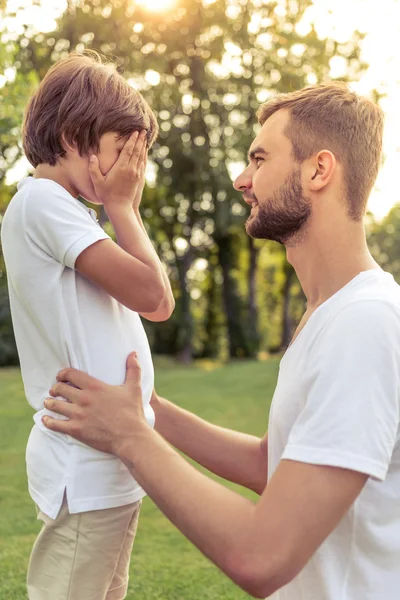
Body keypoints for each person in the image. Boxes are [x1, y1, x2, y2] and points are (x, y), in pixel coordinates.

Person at [43, 82, 400, 600]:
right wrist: (149, 409)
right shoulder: (330, 315)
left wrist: (129, 435)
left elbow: (262, 556)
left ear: (318, 170)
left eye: (259, 159)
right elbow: (269, 465)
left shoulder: (365, 324)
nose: (242, 179)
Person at [1, 51, 174, 600]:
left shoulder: (72, 212)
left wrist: (117, 204)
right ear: (77, 133)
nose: (131, 171)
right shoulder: (41, 202)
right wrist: (127, 207)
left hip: (114, 461)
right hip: (86, 462)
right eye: (124, 152)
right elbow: (155, 298)